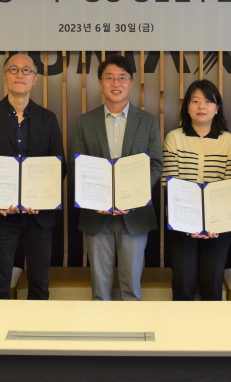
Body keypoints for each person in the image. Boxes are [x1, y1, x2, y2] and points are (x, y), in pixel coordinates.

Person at [0, 54, 65, 300]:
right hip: (1, 215)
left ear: (35, 79)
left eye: (26, 70)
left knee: (39, 285)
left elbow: (59, 166)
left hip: (39, 216)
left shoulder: (48, 118)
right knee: (0, 286)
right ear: (5, 77)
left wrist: (42, 198)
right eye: (13, 69)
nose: (20, 74)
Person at [69, 54, 163, 301]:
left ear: (130, 83)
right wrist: (96, 199)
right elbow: (77, 164)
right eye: (109, 78)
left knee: (131, 289)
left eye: (122, 77)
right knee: (100, 292)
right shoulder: (85, 122)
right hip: (96, 215)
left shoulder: (147, 122)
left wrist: (132, 197)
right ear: (100, 83)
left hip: (135, 215)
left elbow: (155, 164)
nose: (116, 83)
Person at [162, 80, 231, 300]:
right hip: (181, 222)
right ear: (187, 107)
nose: (201, 106)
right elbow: (171, 184)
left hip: (219, 225)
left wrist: (213, 222)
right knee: (183, 282)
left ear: (217, 108)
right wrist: (192, 221)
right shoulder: (174, 138)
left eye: (208, 101)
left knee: (212, 283)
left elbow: (230, 187)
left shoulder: (228, 141)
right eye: (195, 101)